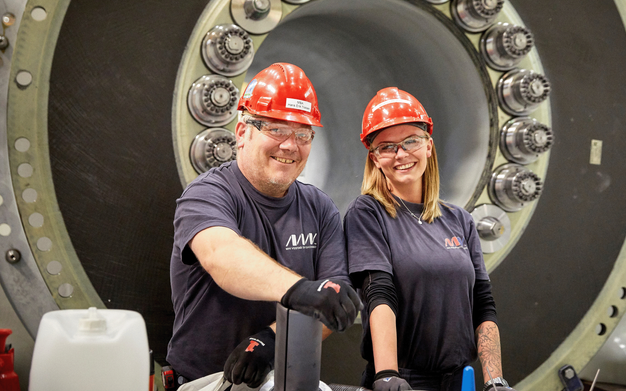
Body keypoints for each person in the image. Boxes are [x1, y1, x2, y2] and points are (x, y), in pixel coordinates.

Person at [167, 63, 362, 386]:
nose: (290, 145)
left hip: (288, 375)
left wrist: (269, 342)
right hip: (206, 378)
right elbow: (222, 255)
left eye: (302, 134)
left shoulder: (319, 208)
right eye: (276, 129)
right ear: (243, 133)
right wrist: (300, 290)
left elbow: (333, 299)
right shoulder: (207, 194)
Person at [344, 87, 509, 391]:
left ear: (429, 146)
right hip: (404, 382)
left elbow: (483, 304)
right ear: (375, 158)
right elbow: (379, 293)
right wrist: (387, 375)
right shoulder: (368, 213)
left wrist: (494, 380)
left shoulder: (460, 220)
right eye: (387, 146)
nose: (401, 154)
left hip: (461, 380)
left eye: (411, 141)